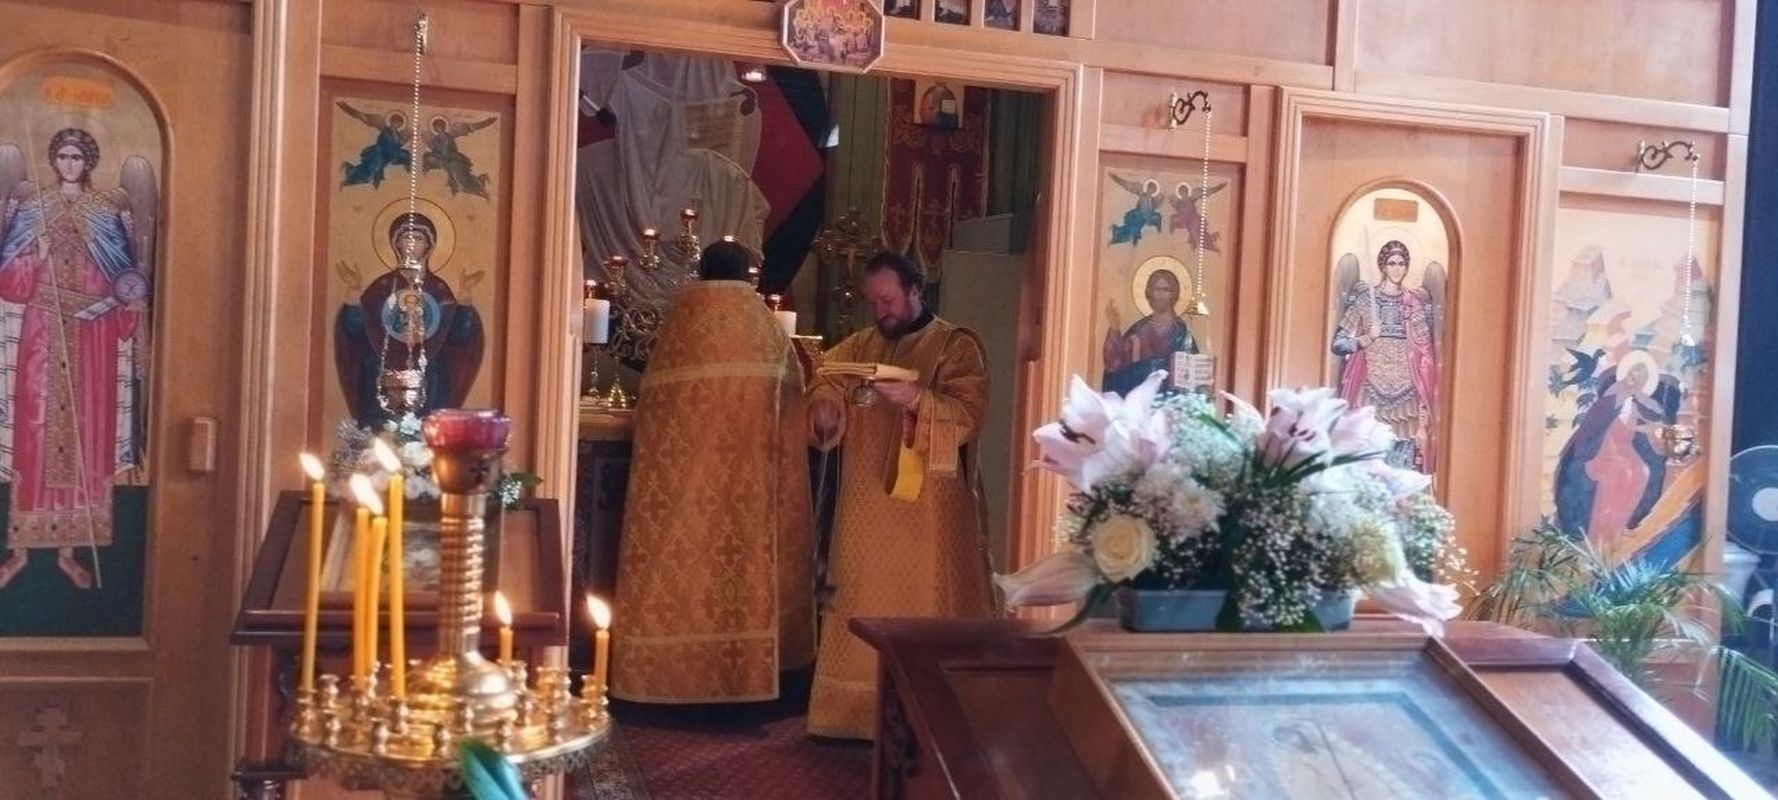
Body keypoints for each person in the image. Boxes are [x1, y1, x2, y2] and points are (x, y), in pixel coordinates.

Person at [610, 240, 814, 703]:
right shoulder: (763, 328)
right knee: (744, 567)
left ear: (701, 271)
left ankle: (660, 675)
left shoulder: (679, 325)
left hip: (682, 491)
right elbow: (792, 402)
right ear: (746, 275)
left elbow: (651, 407)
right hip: (750, 490)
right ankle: (750, 676)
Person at [805, 251, 993, 740]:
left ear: (915, 290)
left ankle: (925, 712)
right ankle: (851, 714)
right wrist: (825, 409)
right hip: (863, 509)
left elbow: (970, 415)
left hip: (928, 511)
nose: (880, 311)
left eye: (887, 300)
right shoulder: (862, 344)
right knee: (859, 598)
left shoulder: (955, 346)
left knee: (921, 604)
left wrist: (916, 399)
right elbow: (826, 378)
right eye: (872, 302)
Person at [0, 128, 154, 589]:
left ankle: (70, 552)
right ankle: (19, 552)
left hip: (91, 335)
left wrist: (125, 302)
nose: (69, 163)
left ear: (87, 162)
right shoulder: (34, 207)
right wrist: (36, 257)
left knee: (86, 437)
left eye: (77, 157)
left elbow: (124, 278)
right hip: (42, 330)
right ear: (54, 160)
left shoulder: (105, 212)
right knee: (35, 433)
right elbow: (8, 279)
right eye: (63, 156)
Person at [333, 212, 484, 427]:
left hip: (428, 373)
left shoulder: (438, 289)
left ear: (429, 246)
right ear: (396, 244)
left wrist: (465, 302)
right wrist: (353, 297)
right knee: (382, 426)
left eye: (419, 238)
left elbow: (458, 335)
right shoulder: (382, 287)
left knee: (427, 423)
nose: (412, 244)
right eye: (406, 238)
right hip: (383, 371)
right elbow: (355, 330)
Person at [1330, 240, 1439, 471]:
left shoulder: (1414, 302)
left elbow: (1425, 355)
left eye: (1401, 263)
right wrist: (1366, 339)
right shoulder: (1364, 299)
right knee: (1367, 463)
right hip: (1369, 391)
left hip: (1407, 397)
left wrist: (1423, 423)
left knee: (1401, 467)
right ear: (1383, 266)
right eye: (1392, 263)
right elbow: (1338, 345)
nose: (1397, 268)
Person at [1102, 267, 1197, 396]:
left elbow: (1191, 377)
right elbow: (1115, 367)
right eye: (1157, 289)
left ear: (1173, 295)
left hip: (1171, 402)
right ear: (1150, 293)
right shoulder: (1138, 330)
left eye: (1166, 290)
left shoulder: (1182, 334)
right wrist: (1114, 327)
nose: (1161, 295)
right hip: (1140, 399)